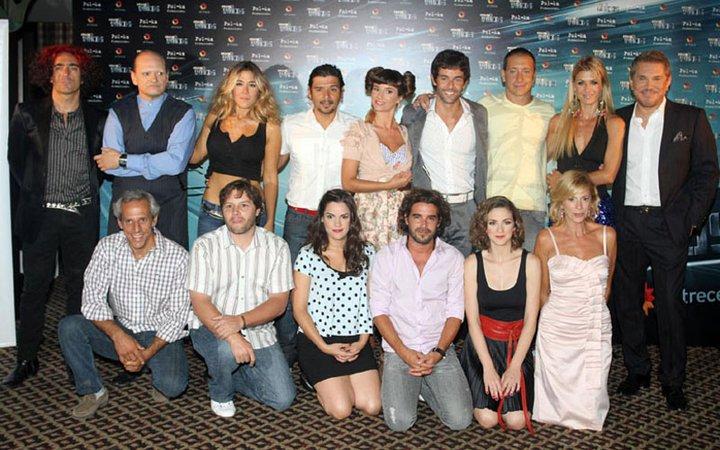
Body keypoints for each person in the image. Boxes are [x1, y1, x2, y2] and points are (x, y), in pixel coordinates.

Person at [612, 50, 719, 410]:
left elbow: (707, 173)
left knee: (670, 307)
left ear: (669, 81)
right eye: (642, 78)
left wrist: (690, 221)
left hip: (668, 225)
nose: (649, 85)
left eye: (656, 78)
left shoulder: (691, 119)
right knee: (627, 301)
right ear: (631, 82)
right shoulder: (617, 120)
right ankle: (637, 370)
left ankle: (673, 381)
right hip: (626, 223)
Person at [4, 45, 106, 387]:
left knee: (79, 288)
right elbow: (17, 161)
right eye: (60, 67)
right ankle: (26, 358)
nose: (66, 73)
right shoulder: (27, 113)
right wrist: (38, 195)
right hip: (41, 217)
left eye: (73, 67)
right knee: (35, 287)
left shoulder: (97, 117)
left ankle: (75, 360)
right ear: (49, 74)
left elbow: (100, 166)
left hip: (81, 217)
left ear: (83, 75)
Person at [57, 190, 190, 418]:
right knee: (69, 327)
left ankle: (152, 366)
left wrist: (146, 354)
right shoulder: (107, 247)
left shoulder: (178, 257)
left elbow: (178, 317)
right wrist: (119, 336)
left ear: (154, 219)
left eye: (142, 220)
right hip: (121, 328)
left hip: (158, 333)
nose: (136, 229)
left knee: (172, 386)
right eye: (129, 221)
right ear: (119, 223)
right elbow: (91, 301)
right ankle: (92, 391)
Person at [413, 48, 553, 250]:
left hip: (532, 206)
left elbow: (554, 153)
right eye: (513, 71)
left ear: (534, 75)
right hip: (492, 205)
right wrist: (427, 98)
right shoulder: (484, 108)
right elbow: (449, 100)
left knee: (528, 267)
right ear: (503, 75)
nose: (519, 78)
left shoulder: (548, 112)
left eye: (526, 71)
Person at [187, 179, 295, 418]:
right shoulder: (205, 245)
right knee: (226, 351)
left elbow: (278, 303)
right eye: (228, 206)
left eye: (243, 205)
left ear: (258, 211)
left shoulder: (277, 247)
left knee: (282, 399)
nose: (235, 212)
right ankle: (221, 391)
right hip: (210, 325)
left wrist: (241, 322)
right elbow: (200, 301)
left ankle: (226, 371)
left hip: (258, 330)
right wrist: (233, 336)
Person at [369, 189, 473, 431]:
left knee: (460, 421)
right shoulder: (386, 257)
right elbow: (379, 312)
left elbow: (455, 313)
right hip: (399, 349)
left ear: (439, 222)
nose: (423, 225)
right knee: (400, 423)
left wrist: (438, 352)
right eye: (417, 217)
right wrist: (404, 352)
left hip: (439, 349)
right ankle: (406, 379)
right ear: (406, 218)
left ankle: (423, 384)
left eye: (430, 218)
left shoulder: (453, 258)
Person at [276, 64, 356, 366]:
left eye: (333, 89)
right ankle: (286, 357)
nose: (326, 95)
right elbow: (272, 165)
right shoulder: (290, 124)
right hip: (299, 219)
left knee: (334, 290)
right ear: (309, 92)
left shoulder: (355, 126)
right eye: (319, 89)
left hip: (338, 224)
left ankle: (324, 359)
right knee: (292, 289)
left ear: (342, 93)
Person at [532, 170, 617, 431]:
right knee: (553, 410)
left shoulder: (608, 236)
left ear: (592, 201)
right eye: (572, 199)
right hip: (557, 328)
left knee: (591, 409)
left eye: (584, 199)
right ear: (560, 202)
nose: (578, 206)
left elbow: (607, 287)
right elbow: (542, 292)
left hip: (593, 324)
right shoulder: (546, 238)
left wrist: (591, 317)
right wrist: (554, 326)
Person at [292, 189, 381, 419]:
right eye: (331, 216)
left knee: (372, 406)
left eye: (344, 216)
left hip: (355, 337)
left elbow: (369, 302)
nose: (337, 224)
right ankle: (312, 378)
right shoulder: (308, 255)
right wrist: (324, 346)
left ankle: (340, 381)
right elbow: (299, 310)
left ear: (352, 219)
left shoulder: (368, 252)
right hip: (318, 339)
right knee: (342, 409)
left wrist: (362, 342)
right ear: (322, 218)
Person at [96, 50, 195, 248]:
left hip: (168, 208)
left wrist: (124, 160)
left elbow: (175, 163)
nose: (154, 78)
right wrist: (157, 165)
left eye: (159, 73)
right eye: (146, 73)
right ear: (134, 77)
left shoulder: (184, 112)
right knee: (122, 264)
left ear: (167, 77)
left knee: (170, 265)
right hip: (126, 210)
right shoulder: (117, 111)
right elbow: (110, 165)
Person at [461, 196, 540, 433]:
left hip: (517, 347)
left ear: (515, 226)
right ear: (484, 227)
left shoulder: (531, 262)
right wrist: (487, 367)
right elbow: (473, 322)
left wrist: (515, 367)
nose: (499, 230)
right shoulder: (472, 263)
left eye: (506, 222)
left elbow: (531, 320)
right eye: (492, 223)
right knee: (488, 419)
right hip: (482, 346)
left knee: (516, 421)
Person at [401, 49, 488, 256]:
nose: (450, 86)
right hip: (427, 210)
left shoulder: (479, 113)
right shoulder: (415, 113)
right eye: (444, 78)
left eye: (457, 79)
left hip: (467, 210)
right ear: (434, 80)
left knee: (463, 272)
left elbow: (482, 162)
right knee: (425, 270)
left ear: (466, 82)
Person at [190, 61, 281, 237]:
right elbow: (195, 156)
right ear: (230, 87)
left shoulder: (270, 126)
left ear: (260, 90)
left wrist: (270, 221)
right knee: (207, 256)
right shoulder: (215, 116)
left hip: (250, 214)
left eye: (252, 85)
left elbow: (270, 177)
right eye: (239, 83)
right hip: (212, 211)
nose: (245, 91)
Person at [341, 66, 415, 249]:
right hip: (369, 216)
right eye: (376, 89)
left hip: (400, 217)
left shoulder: (404, 132)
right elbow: (348, 182)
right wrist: (387, 185)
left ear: (399, 97)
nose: (380, 96)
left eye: (388, 91)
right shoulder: (360, 131)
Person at [546, 56, 625, 227]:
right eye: (581, 83)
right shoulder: (558, 122)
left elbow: (608, 175)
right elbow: (539, 161)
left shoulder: (614, 124)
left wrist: (564, 182)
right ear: (574, 87)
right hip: (563, 209)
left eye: (593, 82)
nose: (587, 89)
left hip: (597, 207)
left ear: (602, 86)